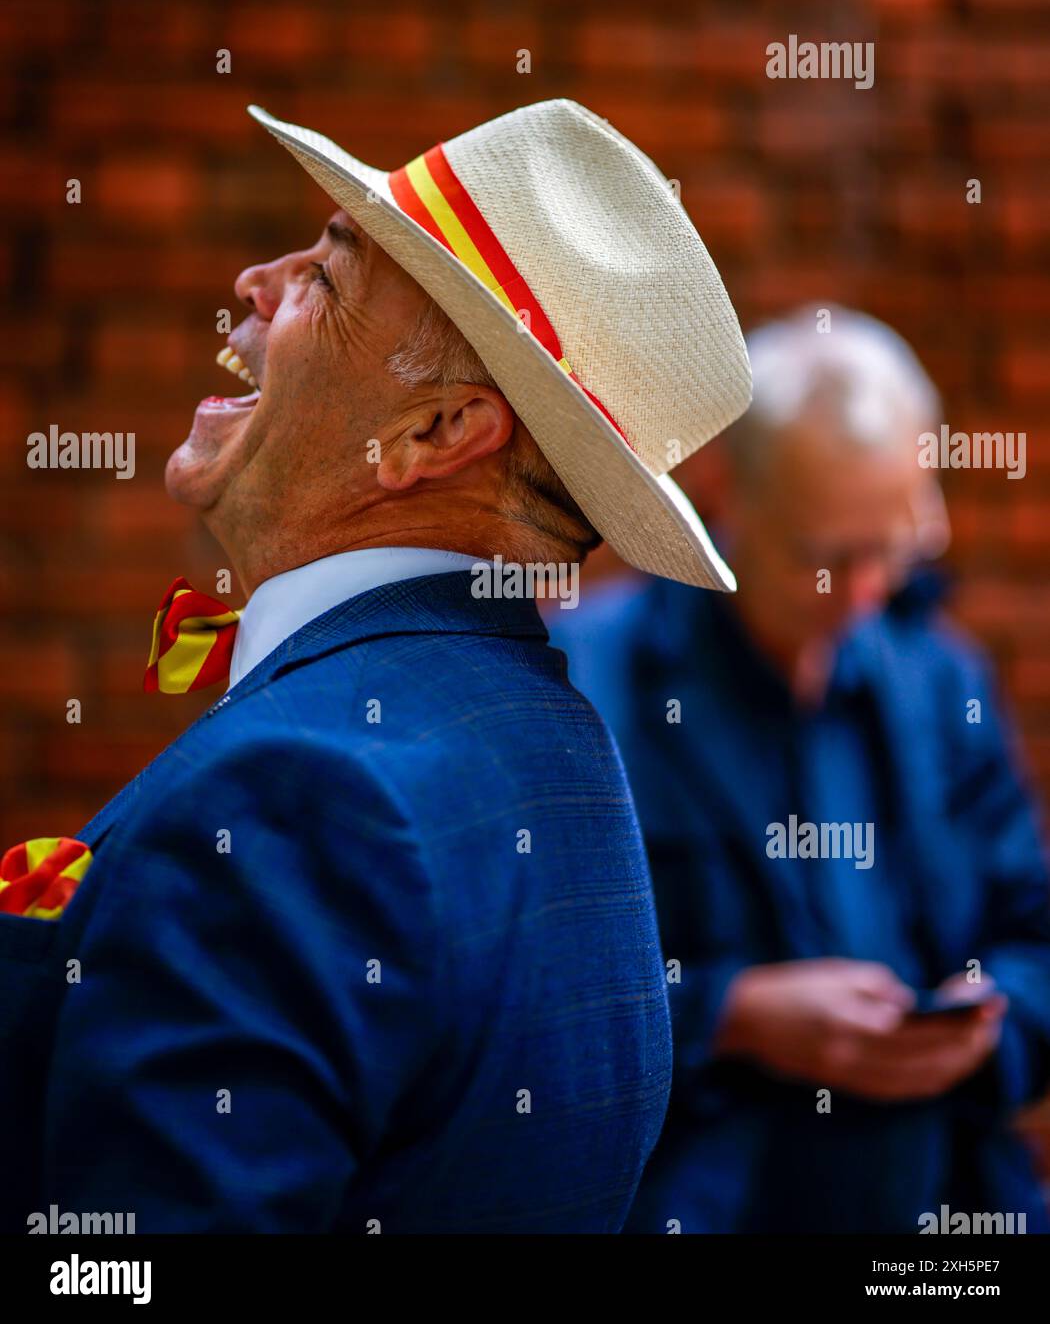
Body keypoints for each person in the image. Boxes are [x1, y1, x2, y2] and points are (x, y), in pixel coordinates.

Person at [0, 99, 752, 1232]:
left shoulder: (298, 792)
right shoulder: (562, 747)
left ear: (437, 434)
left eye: (327, 278)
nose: (256, 279)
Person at [552, 306, 1050, 1233]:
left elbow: (1035, 935)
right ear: (722, 495)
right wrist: (725, 1015)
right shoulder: (586, 687)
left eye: (893, 553)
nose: (863, 593)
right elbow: (526, 1005)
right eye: (827, 559)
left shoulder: (942, 681)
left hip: (944, 1219)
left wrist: (985, 1029)